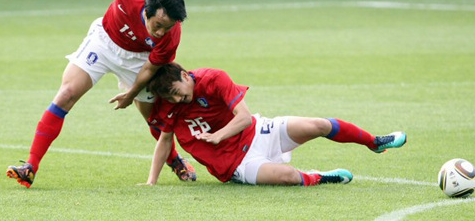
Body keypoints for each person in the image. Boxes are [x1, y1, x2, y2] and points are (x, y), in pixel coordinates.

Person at [6, 0, 196, 188]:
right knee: (66, 94)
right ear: (148, 10)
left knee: (153, 118)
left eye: (169, 26)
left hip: (139, 60)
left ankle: (175, 161)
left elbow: (151, 68)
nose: (162, 31)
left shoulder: (172, 35)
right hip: (104, 41)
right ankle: (30, 167)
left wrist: (131, 94)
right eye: (158, 24)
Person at [142, 63, 407, 186]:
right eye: (170, 97)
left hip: (257, 131)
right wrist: (151, 181)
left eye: (178, 91)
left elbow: (244, 117)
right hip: (238, 165)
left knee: (318, 125)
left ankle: (374, 141)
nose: (177, 99)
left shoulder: (214, 78)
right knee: (289, 176)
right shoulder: (169, 107)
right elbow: (165, 141)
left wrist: (218, 135)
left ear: (186, 75)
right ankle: (320, 177)